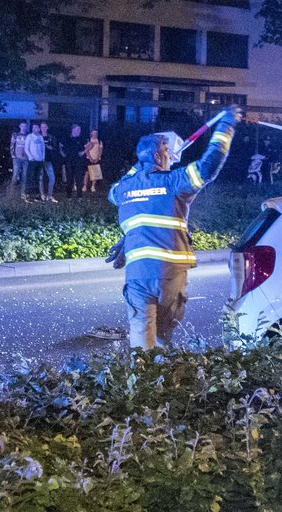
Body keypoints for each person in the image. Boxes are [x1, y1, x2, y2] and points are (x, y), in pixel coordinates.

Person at [109, 108, 238, 349]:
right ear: (159, 157)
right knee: (162, 337)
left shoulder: (123, 188)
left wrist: (144, 163)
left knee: (141, 336)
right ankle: (162, 369)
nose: (171, 156)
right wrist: (226, 127)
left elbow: (112, 192)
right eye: (167, 151)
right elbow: (208, 166)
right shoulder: (173, 182)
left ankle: (141, 370)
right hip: (169, 274)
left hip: (137, 273)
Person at [23, 122, 48, 202]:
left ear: (39, 129)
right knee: (30, 178)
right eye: (33, 128)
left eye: (36, 128)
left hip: (40, 161)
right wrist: (31, 157)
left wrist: (42, 158)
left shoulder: (40, 137)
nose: (34, 129)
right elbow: (26, 148)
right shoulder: (29, 136)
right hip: (32, 161)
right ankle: (28, 195)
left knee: (37, 178)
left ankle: (36, 195)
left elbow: (43, 148)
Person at [65, 125, 87, 198]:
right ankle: (68, 195)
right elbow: (62, 147)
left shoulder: (81, 139)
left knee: (79, 179)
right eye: (78, 130)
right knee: (69, 179)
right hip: (69, 161)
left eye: (80, 130)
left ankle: (79, 195)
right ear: (73, 130)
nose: (79, 131)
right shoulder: (68, 138)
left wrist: (84, 152)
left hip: (78, 162)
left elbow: (89, 145)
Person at [10, 121, 30, 193]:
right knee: (15, 175)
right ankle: (11, 192)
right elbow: (12, 145)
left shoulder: (29, 136)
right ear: (20, 126)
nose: (23, 128)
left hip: (26, 159)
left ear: (26, 127)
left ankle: (23, 192)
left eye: (25, 126)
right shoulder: (15, 135)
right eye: (22, 126)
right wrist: (13, 155)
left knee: (24, 175)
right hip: (17, 158)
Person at [82, 129, 104, 194]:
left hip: (97, 159)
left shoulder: (99, 141)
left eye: (96, 133)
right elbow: (86, 150)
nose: (95, 134)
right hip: (88, 159)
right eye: (94, 133)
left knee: (95, 173)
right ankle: (85, 186)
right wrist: (90, 158)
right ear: (91, 133)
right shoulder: (88, 140)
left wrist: (97, 158)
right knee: (87, 173)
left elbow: (100, 150)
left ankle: (93, 186)